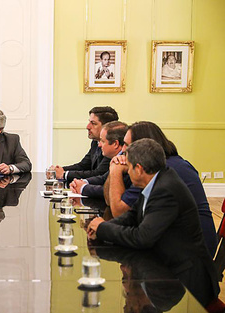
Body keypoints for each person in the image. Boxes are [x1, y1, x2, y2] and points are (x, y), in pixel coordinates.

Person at [87, 139, 219, 307]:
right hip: (168, 263)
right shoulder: (156, 180)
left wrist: (103, 228)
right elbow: (132, 216)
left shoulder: (166, 189)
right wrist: (99, 226)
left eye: (128, 167)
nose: (126, 172)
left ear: (139, 169)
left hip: (186, 281)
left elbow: (142, 237)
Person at [107, 121, 217, 256]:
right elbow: (120, 207)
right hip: (182, 240)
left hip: (192, 252)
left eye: (127, 145)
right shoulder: (167, 164)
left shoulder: (157, 170)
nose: (123, 150)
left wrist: (115, 171)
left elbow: (119, 211)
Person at [51, 106, 118, 182]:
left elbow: (98, 173)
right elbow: (83, 165)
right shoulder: (95, 142)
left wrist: (64, 174)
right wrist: (60, 170)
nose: (88, 127)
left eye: (93, 123)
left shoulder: (111, 146)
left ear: (106, 127)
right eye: (89, 122)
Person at [69, 121, 128, 198]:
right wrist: (82, 182)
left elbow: (111, 192)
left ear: (115, 144)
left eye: (102, 141)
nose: (99, 145)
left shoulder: (124, 161)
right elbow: (103, 178)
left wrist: (83, 188)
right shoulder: (116, 157)